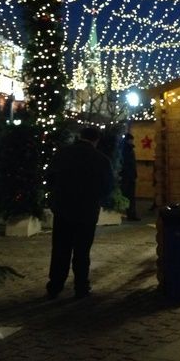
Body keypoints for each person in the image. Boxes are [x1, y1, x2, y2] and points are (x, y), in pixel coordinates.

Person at [46, 125, 114, 299]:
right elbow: (107, 187)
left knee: (60, 249)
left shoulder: (63, 154)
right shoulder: (101, 160)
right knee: (82, 251)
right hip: (87, 210)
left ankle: (55, 285)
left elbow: (50, 178)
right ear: (96, 140)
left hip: (63, 208)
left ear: (80, 136)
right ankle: (81, 286)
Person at [121, 132, 140, 221]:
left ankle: (130, 213)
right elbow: (130, 164)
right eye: (131, 140)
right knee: (130, 196)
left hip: (127, 175)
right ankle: (131, 214)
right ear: (129, 140)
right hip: (128, 176)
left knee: (129, 196)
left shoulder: (125, 149)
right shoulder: (128, 150)